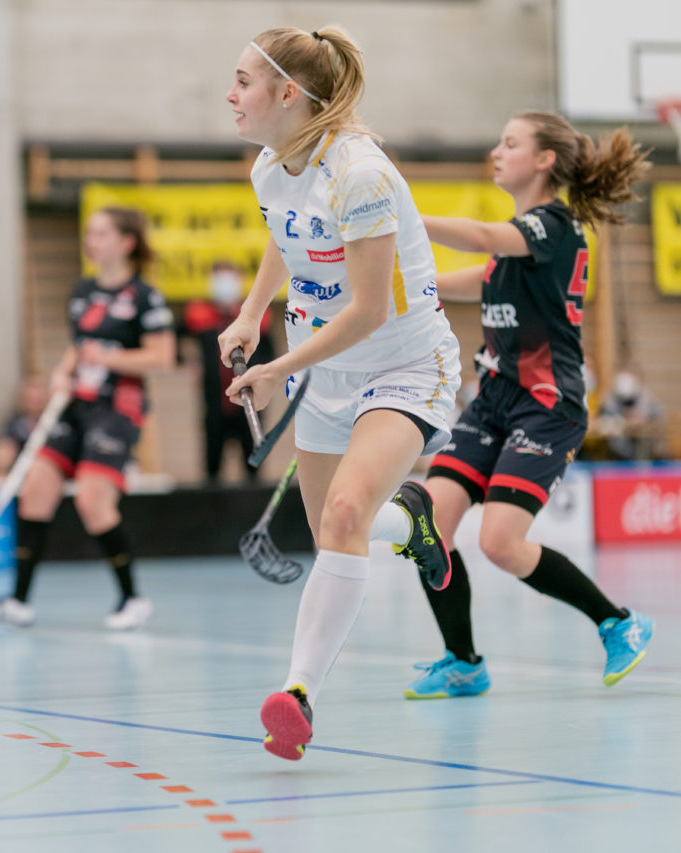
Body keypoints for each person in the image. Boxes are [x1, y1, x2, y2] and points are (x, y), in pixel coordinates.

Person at [220, 26, 462, 761]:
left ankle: (297, 695)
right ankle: (414, 515)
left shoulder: (360, 174)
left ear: (288, 94)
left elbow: (369, 310)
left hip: (402, 364)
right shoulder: (270, 165)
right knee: (338, 526)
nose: (230, 94)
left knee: (347, 509)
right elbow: (283, 236)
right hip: (325, 368)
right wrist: (252, 310)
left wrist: (275, 368)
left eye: (242, 81)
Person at [407, 111, 654, 700]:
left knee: (499, 542)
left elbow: (488, 239)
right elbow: (458, 281)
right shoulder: (519, 248)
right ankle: (463, 662)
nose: (497, 150)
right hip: (493, 403)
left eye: (510, 143)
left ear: (544, 160)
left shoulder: (553, 227)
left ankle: (618, 622)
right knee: (428, 528)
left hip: (547, 407)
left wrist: (403, 218)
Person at [0, 207, 176, 630]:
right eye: (90, 234)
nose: (91, 241)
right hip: (77, 405)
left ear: (126, 242)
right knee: (35, 488)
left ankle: (132, 598)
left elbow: (162, 358)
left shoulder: (145, 298)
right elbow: (80, 347)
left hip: (118, 407)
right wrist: (62, 372)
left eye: (101, 234)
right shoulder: (82, 292)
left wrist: (110, 357)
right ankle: (18, 600)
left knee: (93, 502)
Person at [182, 261, 276, 482]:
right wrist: (189, 363)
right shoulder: (199, 315)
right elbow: (178, 339)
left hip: (250, 401)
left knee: (253, 463)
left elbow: (272, 354)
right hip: (214, 402)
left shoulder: (259, 319)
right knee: (211, 467)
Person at [0, 375, 48, 476]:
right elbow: (1, 455)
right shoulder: (16, 423)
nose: (34, 399)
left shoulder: (59, 423)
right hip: (19, 473)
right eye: (30, 398)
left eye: (38, 399)